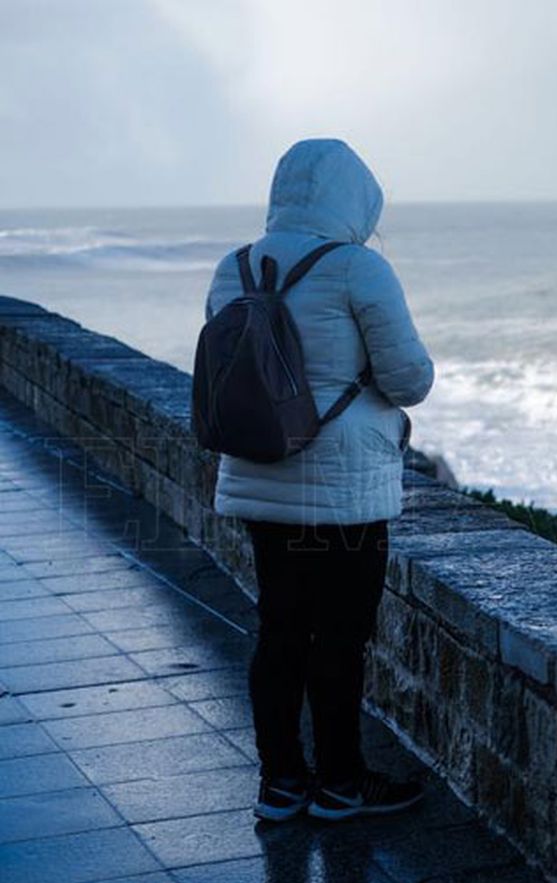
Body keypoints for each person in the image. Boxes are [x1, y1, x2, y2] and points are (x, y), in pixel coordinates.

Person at [205, 138, 434, 822]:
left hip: (259, 472)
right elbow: (409, 380)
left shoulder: (235, 266)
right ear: (356, 198)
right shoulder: (358, 269)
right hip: (343, 489)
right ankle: (340, 782)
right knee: (340, 635)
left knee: (278, 628)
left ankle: (279, 783)